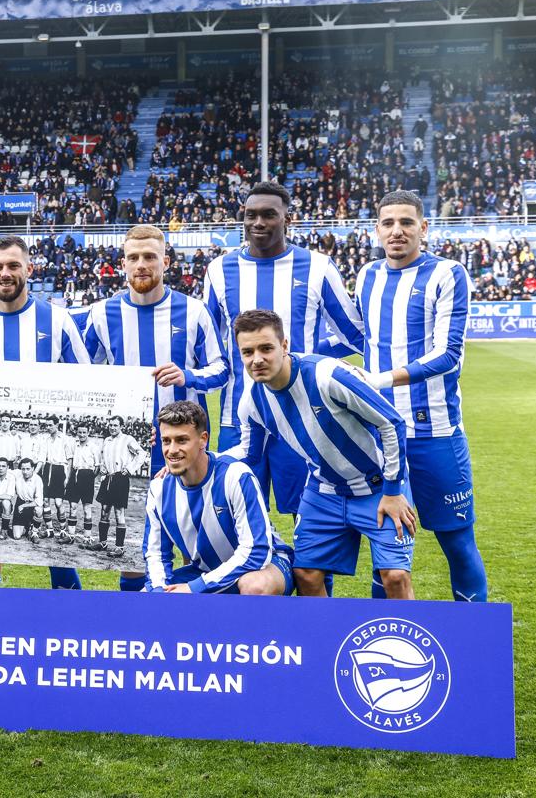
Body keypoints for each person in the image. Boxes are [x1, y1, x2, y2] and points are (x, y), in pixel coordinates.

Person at [226, 309, 416, 599]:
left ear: (285, 345)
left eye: (266, 348)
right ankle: (324, 642)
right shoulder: (252, 399)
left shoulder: (327, 375)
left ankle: (403, 642)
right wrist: (203, 459)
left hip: (380, 487)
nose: (257, 359)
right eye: (247, 352)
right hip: (324, 490)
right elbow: (249, 454)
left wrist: (392, 491)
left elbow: (391, 423)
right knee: (306, 574)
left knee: (395, 576)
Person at [355, 189, 488, 602]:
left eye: (406, 222)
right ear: (376, 230)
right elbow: (362, 338)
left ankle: (474, 638)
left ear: (423, 228)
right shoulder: (367, 275)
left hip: (436, 435)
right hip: (379, 435)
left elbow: (449, 354)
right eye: (388, 223)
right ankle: (385, 632)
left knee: (458, 543)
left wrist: (381, 379)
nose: (397, 231)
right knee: (387, 552)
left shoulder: (448, 274)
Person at [204, 182, 365, 521]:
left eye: (268, 215)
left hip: (304, 416)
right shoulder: (219, 270)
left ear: (287, 219)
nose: (258, 223)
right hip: (239, 416)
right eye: (250, 215)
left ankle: (315, 576)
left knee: (310, 523)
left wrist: (307, 357)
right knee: (236, 520)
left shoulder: (318, 266)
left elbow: (354, 336)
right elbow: (207, 343)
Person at [82, 223, 228, 588]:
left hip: (184, 445)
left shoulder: (193, 311)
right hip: (129, 446)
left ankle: (188, 613)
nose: (141, 264)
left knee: (191, 537)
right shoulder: (102, 314)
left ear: (165, 261)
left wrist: (188, 377)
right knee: (132, 538)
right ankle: (132, 618)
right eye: (133, 258)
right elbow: (83, 375)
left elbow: (223, 369)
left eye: (149, 257)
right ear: (122, 263)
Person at [0, 235, 89, 589]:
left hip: (36, 451)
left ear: (29, 269)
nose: (5, 274)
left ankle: (74, 625)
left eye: (13, 266)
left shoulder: (57, 321)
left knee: (54, 553)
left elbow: (87, 382)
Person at [143, 400, 294, 595]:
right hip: (206, 570)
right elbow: (156, 554)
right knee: (145, 599)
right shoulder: (159, 489)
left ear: (203, 440)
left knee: (254, 586)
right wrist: (158, 592)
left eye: (182, 440)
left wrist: (195, 587)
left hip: (265, 564)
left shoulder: (235, 475)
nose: (172, 450)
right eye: (166, 441)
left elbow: (256, 551)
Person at [90, 415, 144, 558]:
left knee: (118, 512)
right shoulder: (107, 440)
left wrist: (130, 468)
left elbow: (142, 453)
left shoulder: (128, 439)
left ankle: (120, 547)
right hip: (108, 478)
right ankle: (102, 542)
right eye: (111, 425)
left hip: (120, 478)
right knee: (104, 510)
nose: (112, 427)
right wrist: (103, 467)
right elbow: (104, 458)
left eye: (115, 425)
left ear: (121, 426)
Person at [63, 424, 100, 546]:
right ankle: (71, 535)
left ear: (88, 432)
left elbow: (97, 467)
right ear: (77, 433)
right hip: (75, 475)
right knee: (72, 506)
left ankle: (87, 537)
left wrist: (88, 478)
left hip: (87, 476)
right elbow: (71, 462)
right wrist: (69, 478)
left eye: (84, 432)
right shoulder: (74, 445)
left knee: (86, 508)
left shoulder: (94, 447)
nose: (82, 435)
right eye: (80, 432)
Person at [38, 417, 74, 537]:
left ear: (57, 425)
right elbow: (42, 458)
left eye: (50, 425)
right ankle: (50, 530)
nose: (48, 428)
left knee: (59, 502)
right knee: (45, 501)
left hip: (60, 470)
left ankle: (63, 530)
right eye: (46, 425)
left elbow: (69, 460)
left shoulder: (65, 439)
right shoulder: (46, 440)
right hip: (48, 468)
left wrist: (67, 477)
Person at [14, 457, 46, 542]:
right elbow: (4, 470)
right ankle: (27, 526)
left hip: (31, 505)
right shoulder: (17, 474)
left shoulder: (38, 479)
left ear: (33, 468)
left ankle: (34, 532)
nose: (25, 471)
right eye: (23, 469)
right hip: (20, 502)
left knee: (39, 510)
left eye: (28, 469)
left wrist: (24, 505)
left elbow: (39, 501)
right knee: (17, 536)